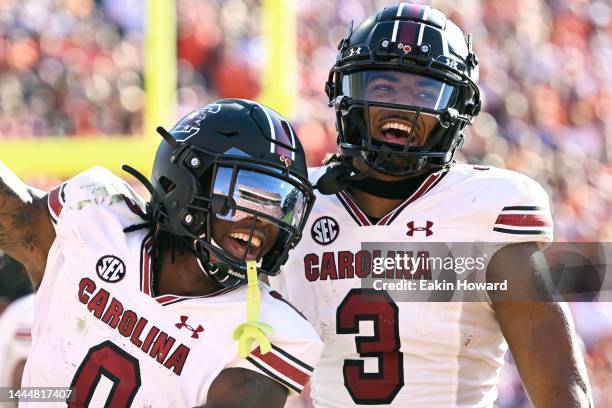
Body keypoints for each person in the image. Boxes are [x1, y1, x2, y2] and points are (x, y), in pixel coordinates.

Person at [270, 4, 592, 407]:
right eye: (383, 86)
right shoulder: (297, 202)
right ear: (345, 92)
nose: (402, 106)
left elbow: (561, 390)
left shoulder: (487, 211)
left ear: (457, 112)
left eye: (425, 92)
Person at [0, 99, 323, 407]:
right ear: (182, 182)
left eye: (280, 205)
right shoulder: (93, 218)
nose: (263, 221)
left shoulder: (266, 328)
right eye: (246, 196)